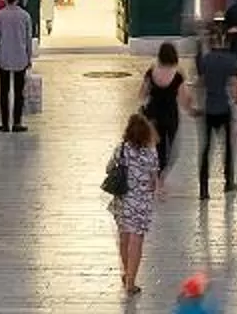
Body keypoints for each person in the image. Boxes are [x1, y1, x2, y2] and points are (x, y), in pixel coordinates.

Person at [106, 111, 163, 295]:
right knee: (136, 242)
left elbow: (108, 168)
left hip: (123, 201)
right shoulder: (151, 152)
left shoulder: (121, 149)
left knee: (124, 239)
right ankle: (131, 281)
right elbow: (155, 180)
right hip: (141, 204)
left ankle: (125, 272)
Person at [193, 27, 237, 200]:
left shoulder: (206, 60)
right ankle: (228, 182)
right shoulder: (231, 60)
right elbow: (235, 88)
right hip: (225, 108)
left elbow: (199, 83)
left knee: (206, 148)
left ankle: (203, 190)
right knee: (228, 148)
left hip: (209, 108)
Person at [0, 0, 37, 132]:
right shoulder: (25, 16)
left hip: (3, 56)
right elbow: (28, 39)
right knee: (18, 91)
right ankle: (17, 122)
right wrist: (29, 57)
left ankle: (4, 123)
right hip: (20, 56)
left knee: (4, 91)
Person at [142, 41, 187, 170]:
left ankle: (157, 177)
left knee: (157, 147)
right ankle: (162, 178)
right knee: (173, 149)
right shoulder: (178, 74)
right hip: (171, 113)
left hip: (154, 113)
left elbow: (142, 94)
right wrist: (191, 110)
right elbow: (184, 97)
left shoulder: (151, 71)